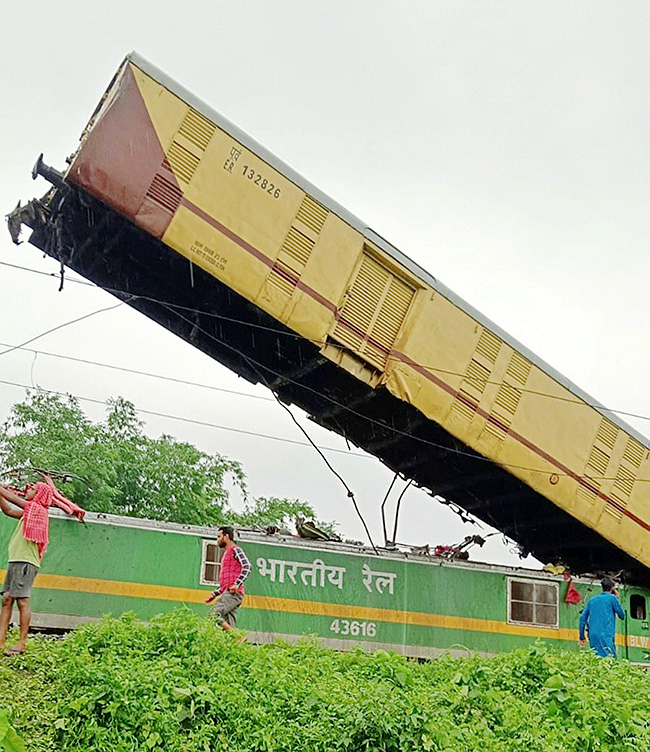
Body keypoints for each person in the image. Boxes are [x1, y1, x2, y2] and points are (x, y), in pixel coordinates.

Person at [0, 476, 85, 655]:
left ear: (39, 495)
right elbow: (7, 509)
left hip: (25, 562)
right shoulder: (29, 513)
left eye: (32, 489)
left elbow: (13, 499)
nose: (27, 490)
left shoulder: (37, 510)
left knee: (22, 601)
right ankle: (0, 642)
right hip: (16, 560)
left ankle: (21, 643)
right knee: (7, 599)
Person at [203, 526, 251, 633]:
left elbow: (247, 566)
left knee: (213, 614)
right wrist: (214, 594)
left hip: (233, 594)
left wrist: (237, 584)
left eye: (219, 536)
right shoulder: (226, 553)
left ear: (226, 536)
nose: (217, 540)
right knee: (228, 626)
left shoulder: (236, 550)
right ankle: (236, 642)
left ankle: (237, 636)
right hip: (228, 592)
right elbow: (226, 583)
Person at [578, 577, 625, 658]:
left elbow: (582, 618)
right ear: (612, 588)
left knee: (596, 658)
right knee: (610, 660)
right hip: (606, 635)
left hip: (593, 635)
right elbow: (622, 615)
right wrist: (617, 599)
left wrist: (582, 636)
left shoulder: (592, 600)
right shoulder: (612, 598)